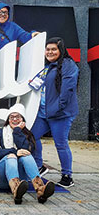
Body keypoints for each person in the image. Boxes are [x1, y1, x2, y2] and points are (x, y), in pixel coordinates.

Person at [31, 37, 79, 188]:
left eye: (54, 49)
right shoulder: (49, 66)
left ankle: (67, 176)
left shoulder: (68, 64)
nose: (50, 52)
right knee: (32, 136)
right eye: (48, 49)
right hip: (44, 112)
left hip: (60, 113)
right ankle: (40, 165)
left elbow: (67, 90)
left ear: (61, 50)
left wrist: (58, 108)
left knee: (61, 144)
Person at [0, 104, 55, 204]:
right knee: (11, 156)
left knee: (26, 155)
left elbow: (26, 150)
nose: (14, 119)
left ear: (22, 119)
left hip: (22, 181)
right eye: (11, 117)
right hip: (2, 176)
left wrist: (17, 131)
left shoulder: (28, 135)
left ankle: (40, 189)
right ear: (8, 119)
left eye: (17, 117)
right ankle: (15, 189)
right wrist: (13, 152)